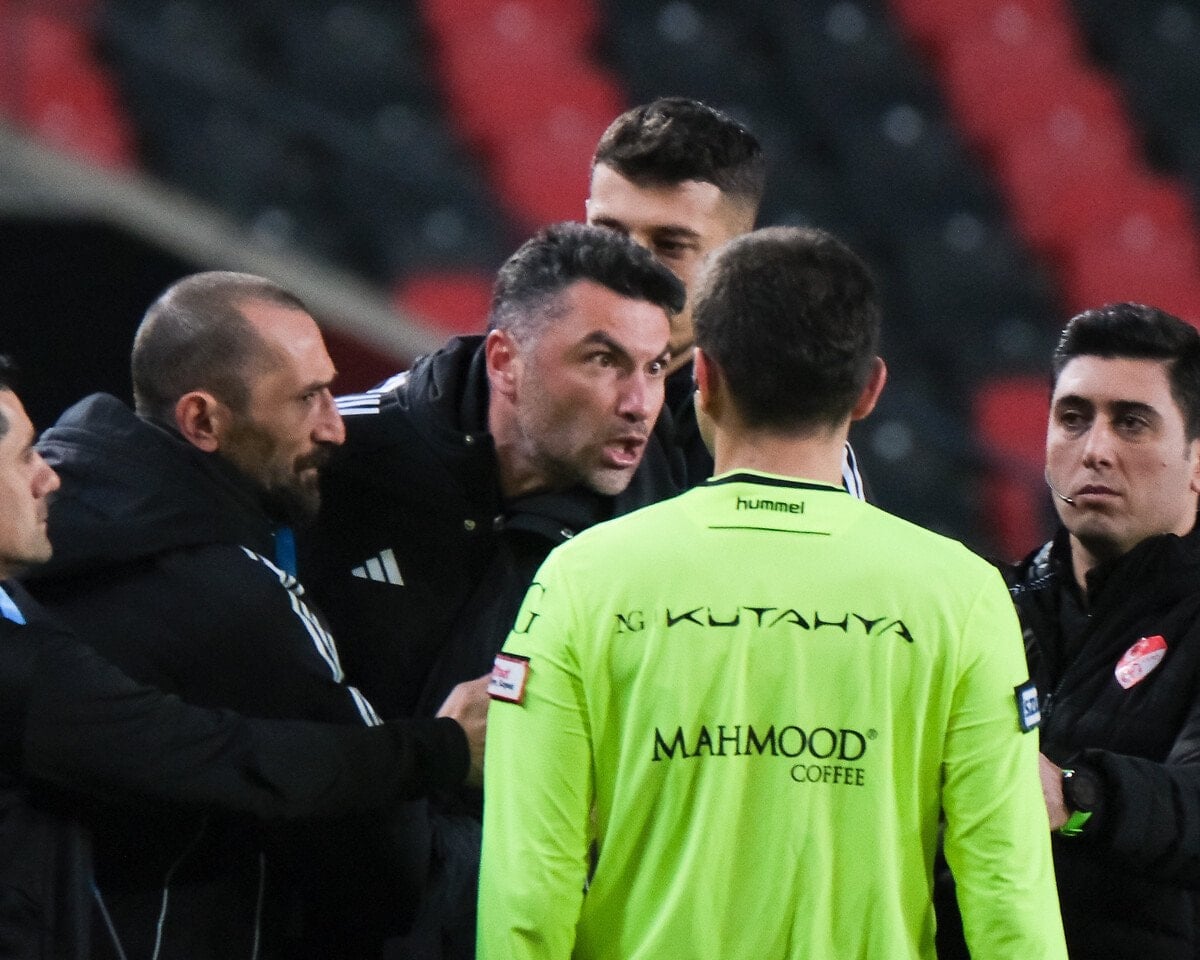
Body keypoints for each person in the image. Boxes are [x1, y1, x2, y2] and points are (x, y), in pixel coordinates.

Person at [477, 226, 1067, 959]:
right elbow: (1009, 893)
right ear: (869, 390)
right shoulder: (963, 595)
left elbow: (528, 887)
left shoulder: (582, 579)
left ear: (704, 377)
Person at [21, 273, 481, 958]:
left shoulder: (43, 539)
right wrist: (447, 750)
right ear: (202, 421)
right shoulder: (235, 599)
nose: (334, 426)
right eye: (306, 398)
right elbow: (384, 862)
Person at [300, 221, 684, 957]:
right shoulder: (337, 460)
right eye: (603, 361)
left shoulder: (660, 537)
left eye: (656, 367)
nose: (640, 403)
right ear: (506, 361)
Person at [962, 303, 1200, 958]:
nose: (1095, 450)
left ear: (1196, 459)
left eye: (1132, 423)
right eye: (1073, 419)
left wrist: (1077, 794)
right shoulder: (982, 609)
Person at [585, 95, 866, 496]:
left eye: (670, 245)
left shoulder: (778, 433)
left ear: (737, 258)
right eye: (608, 233)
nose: (630, 268)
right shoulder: (509, 387)